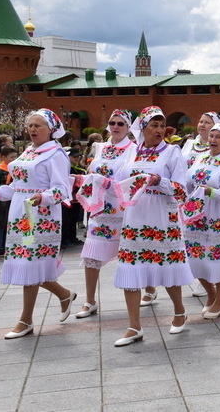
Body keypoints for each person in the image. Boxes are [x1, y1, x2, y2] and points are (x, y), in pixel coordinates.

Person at [0, 109, 76, 339]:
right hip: (20, 215)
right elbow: (17, 187)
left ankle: (25, 320)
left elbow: (62, 189)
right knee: (29, 266)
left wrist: (42, 197)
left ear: (51, 130)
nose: (32, 129)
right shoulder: (29, 152)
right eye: (30, 125)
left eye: (38, 125)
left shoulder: (56, 154)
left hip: (41, 216)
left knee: (30, 266)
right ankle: (64, 295)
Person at [113, 106, 194, 347]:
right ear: (143, 128)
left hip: (161, 217)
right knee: (131, 268)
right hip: (135, 217)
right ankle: (134, 326)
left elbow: (183, 189)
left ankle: (179, 311)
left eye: (162, 126)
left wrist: (160, 181)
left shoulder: (172, 152)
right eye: (154, 125)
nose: (159, 130)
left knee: (167, 267)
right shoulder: (130, 153)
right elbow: (119, 182)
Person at [75, 110, 135, 319]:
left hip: (125, 210)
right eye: (112, 122)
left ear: (128, 127)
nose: (115, 126)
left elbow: (133, 180)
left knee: (133, 254)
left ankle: (149, 289)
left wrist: (109, 182)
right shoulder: (100, 148)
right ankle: (89, 300)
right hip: (100, 210)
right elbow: (92, 173)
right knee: (91, 254)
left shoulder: (133, 150)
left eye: (120, 123)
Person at [184, 123, 220, 319]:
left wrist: (212, 191)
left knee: (219, 259)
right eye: (211, 136)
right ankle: (211, 293)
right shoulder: (201, 157)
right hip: (198, 216)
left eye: (218, 137)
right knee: (194, 257)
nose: (213, 140)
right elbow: (189, 180)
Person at [0, 145, 17, 256]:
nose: (14, 159)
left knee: (9, 223)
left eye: (16, 157)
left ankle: (8, 245)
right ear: (2, 157)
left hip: (11, 201)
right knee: (0, 224)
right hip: (0, 203)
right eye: (11, 157)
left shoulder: (15, 169)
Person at [61, 148, 86, 248]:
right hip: (68, 197)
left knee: (74, 218)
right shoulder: (66, 168)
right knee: (67, 219)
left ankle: (73, 237)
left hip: (77, 198)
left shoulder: (79, 167)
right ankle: (66, 239)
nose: (76, 158)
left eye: (78, 156)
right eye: (74, 156)